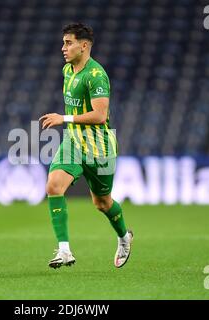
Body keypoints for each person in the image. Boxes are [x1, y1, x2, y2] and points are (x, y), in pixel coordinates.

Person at [39, 23, 133, 269]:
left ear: (84, 45)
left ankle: (124, 237)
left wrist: (64, 118)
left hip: (99, 147)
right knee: (53, 185)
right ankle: (64, 250)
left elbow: (100, 115)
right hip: (73, 143)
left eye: (68, 43)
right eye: (63, 42)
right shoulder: (67, 71)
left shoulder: (96, 75)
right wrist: (68, 126)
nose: (63, 48)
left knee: (102, 203)